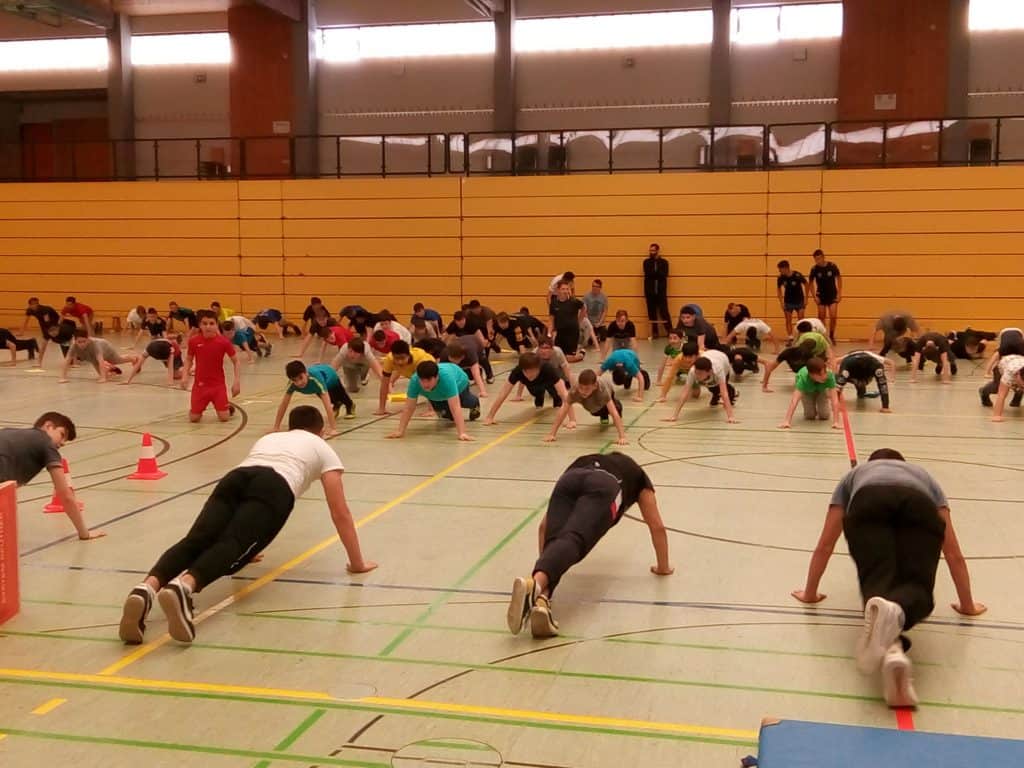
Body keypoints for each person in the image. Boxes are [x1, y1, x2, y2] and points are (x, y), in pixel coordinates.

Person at [117, 406, 376, 645]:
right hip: (275, 487)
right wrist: (357, 563)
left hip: (235, 478)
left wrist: (249, 552)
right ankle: (184, 586)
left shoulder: (270, 439)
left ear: (290, 425)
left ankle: (147, 587)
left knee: (196, 539)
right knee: (233, 543)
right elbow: (339, 511)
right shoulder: (322, 446)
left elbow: (250, 486)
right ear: (320, 431)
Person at [792, 448, 985, 707]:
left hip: (867, 501)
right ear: (904, 463)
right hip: (919, 504)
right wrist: (968, 606)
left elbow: (825, 545)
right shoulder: (923, 476)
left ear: (872, 463)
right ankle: (895, 648)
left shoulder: (856, 474)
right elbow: (953, 554)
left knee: (877, 583)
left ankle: (893, 651)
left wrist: (810, 593)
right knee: (918, 590)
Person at [506, 452, 672, 638]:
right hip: (605, 485)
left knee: (558, 540)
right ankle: (534, 585)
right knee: (575, 539)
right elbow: (657, 527)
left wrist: (546, 565)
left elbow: (544, 527)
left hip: (569, 480)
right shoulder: (640, 477)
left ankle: (542, 601)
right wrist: (663, 567)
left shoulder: (583, 461)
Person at [0, 412, 103, 541]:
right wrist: (84, 533)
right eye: (62, 435)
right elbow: (65, 495)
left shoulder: (9, 432)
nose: (63, 443)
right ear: (48, 426)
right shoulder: (46, 445)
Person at [386, 361, 480, 442]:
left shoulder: (447, 378)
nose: (425, 384)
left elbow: (455, 407)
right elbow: (409, 407)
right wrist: (400, 431)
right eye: (422, 380)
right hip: (436, 395)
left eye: (429, 380)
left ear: (437, 377)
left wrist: (462, 433)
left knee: (464, 401)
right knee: (446, 416)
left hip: (459, 383)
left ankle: (474, 402)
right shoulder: (415, 381)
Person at [182, 309, 240, 423]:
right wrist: (185, 376)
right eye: (205, 323)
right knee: (194, 419)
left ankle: (226, 407)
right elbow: (189, 359)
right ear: (200, 325)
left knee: (224, 418)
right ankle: (197, 408)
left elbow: (236, 361)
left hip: (217, 385)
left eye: (211, 323)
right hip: (200, 386)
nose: (208, 326)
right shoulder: (194, 341)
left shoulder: (224, 342)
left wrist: (236, 382)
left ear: (216, 325)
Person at [483, 352, 571, 424]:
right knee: (536, 392)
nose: (529, 375)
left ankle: (554, 399)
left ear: (538, 368)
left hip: (548, 382)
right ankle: (539, 395)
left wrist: (572, 420)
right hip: (533, 385)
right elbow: (503, 394)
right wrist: (490, 416)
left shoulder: (548, 369)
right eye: (526, 372)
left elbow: (565, 394)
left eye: (532, 371)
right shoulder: (517, 371)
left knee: (557, 395)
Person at [545, 369, 627, 444]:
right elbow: (563, 410)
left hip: (608, 392)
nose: (583, 391)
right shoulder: (575, 390)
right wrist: (552, 434)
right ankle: (603, 414)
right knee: (594, 412)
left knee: (613, 408)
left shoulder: (603, 390)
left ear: (594, 386)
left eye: (587, 389)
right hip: (593, 403)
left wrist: (622, 437)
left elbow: (613, 412)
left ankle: (617, 405)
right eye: (581, 387)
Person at [663, 344, 738, 423]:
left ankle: (733, 392)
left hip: (723, 360)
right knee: (710, 385)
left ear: (709, 371)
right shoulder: (693, 371)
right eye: (696, 373)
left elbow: (724, 392)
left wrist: (731, 416)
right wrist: (674, 415)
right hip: (710, 360)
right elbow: (685, 392)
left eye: (700, 373)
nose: (697, 376)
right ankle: (715, 394)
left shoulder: (718, 369)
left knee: (720, 387)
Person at [274, 361, 352, 436]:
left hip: (331, 376)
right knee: (332, 400)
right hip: (317, 385)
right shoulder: (292, 384)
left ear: (306, 373)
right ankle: (337, 405)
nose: (299, 383)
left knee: (342, 396)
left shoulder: (316, 379)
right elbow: (284, 404)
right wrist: (276, 427)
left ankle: (350, 405)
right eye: (294, 380)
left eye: (301, 378)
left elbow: (327, 406)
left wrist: (333, 429)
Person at [375, 340, 435, 416]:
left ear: (409, 355)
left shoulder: (420, 359)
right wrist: (382, 408)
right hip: (409, 372)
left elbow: (428, 384)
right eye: (396, 358)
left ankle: (433, 407)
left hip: (431, 371)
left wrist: (432, 410)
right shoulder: (389, 359)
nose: (399, 361)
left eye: (402, 358)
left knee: (423, 385)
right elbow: (384, 384)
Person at [778, 357, 840, 430]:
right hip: (807, 391)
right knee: (810, 416)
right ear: (811, 375)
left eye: (824, 372)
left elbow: (835, 400)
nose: (824, 376)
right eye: (820, 375)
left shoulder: (829, 376)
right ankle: (811, 408)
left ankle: (821, 407)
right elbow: (794, 401)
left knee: (824, 416)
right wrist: (787, 421)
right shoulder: (803, 379)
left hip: (821, 390)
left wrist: (836, 422)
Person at [59, 329, 140, 384]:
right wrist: (63, 377)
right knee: (101, 373)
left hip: (106, 349)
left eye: (84, 341)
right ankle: (110, 369)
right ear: (75, 340)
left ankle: (133, 358)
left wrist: (103, 378)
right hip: (92, 358)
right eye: (79, 342)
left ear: (88, 338)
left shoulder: (95, 344)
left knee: (118, 360)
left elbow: (100, 360)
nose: (82, 344)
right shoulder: (73, 346)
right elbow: (67, 360)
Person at [808, 249, 842, 343]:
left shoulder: (832, 266)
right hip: (821, 295)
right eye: (816, 259)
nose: (817, 261)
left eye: (819, 258)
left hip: (832, 295)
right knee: (821, 316)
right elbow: (810, 283)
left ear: (823, 257)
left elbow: (839, 278)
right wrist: (814, 296)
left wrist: (839, 293)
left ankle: (831, 335)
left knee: (833, 316)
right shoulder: (814, 269)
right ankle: (823, 336)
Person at [549, 280, 586, 361]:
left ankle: (581, 354)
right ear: (558, 290)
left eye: (567, 289)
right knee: (556, 356)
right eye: (563, 289)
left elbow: (584, 307)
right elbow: (551, 320)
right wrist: (549, 333)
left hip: (572, 334)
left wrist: (579, 321)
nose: (565, 291)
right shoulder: (554, 303)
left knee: (568, 359)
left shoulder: (574, 301)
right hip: (560, 333)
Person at [983, 353, 1024, 421]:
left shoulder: (1019, 377)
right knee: (996, 388)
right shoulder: (1009, 373)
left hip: (1017, 364)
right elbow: (1001, 395)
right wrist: (997, 415)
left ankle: (1016, 399)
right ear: (1018, 376)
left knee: (1019, 388)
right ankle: (983, 392)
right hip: (1000, 368)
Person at [22, 297, 61, 365]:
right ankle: (39, 362)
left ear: (38, 304)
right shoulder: (29, 310)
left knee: (61, 341)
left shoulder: (44, 309)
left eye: (36, 304)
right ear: (29, 305)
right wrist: (21, 331)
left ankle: (73, 358)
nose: (34, 305)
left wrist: (51, 331)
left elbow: (47, 321)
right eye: (32, 304)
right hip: (43, 323)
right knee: (44, 343)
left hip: (55, 323)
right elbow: (26, 321)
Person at [643, 243, 671, 339]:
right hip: (650, 292)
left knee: (664, 312)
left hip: (661, 292)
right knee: (652, 313)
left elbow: (664, 274)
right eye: (650, 250)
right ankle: (654, 333)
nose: (652, 252)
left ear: (658, 251)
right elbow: (648, 273)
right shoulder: (646, 262)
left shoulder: (664, 262)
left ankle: (670, 331)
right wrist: (656, 274)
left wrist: (656, 273)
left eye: (653, 250)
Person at [776, 260, 808, 340]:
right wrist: (781, 302)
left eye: (780, 269)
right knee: (788, 320)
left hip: (799, 300)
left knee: (801, 320)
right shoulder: (780, 278)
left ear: (786, 268)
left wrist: (806, 298)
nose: (779, 271)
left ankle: (801, 336)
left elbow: (806, 284)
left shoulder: (797, 275)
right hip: (788, 301)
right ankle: (790, 337)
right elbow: (779, 289)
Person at [582, 279, 609, 345]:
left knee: (605, 336)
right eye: (593, 286)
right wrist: (589, 323)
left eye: (596, 286)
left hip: (599, 323)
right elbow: (584, 311)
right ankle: (595, 338)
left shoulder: (604, 297)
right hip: (589, 322)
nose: (594, 288)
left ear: (600, 288)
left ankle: (597, 337)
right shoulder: (586, 296)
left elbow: (605, 311)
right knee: (588, 342)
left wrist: (599, 323)